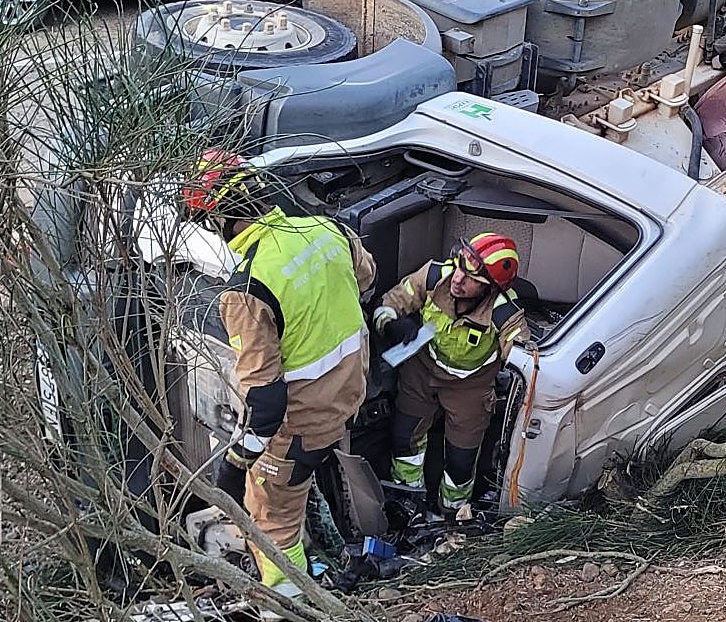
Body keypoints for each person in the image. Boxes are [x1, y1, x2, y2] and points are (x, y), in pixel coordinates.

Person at [183, 150, 376, 590]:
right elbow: (366, 278)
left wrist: (235, 465)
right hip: (349, 394)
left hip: (301, 425)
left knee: (272, 521)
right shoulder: (329, 231)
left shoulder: (246, 290)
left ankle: (286, 599)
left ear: (218, 220)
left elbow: (266, 405)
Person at [373, 232, 529, 512]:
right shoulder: (435, 276)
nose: (458, 279)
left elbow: (524, 353)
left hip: (470, 386)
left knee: (461, 460)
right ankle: (407, 499)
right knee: (404, 439)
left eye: (471, 279)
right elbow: (389, 303)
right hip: (421, 371)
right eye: (458, 267)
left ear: (490, 288)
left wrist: (518, 356)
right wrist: (392, 325)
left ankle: (453, 511)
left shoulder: (504, 311)